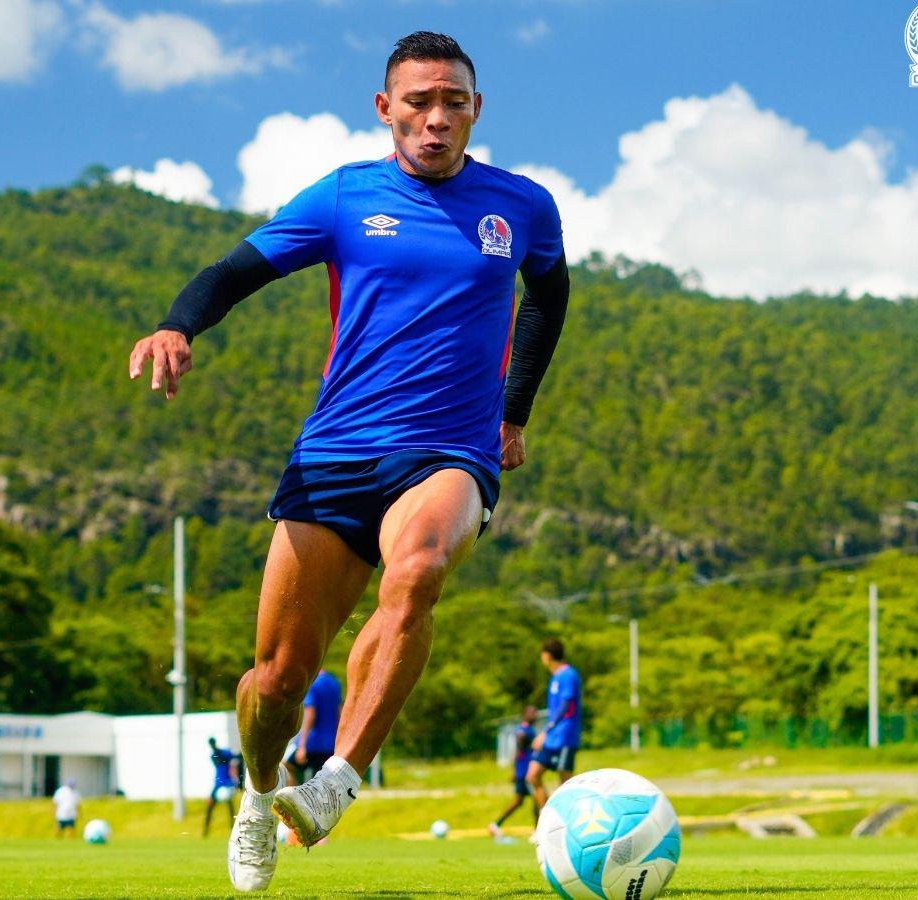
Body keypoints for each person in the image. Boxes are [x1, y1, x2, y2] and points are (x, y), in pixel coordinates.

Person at [129, 30, 568, 892]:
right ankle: (261, 798)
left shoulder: (521, 206)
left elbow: (549, 297)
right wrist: (179, 323)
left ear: (476, 109)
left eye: (453, 101)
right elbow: (234, 270)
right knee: (275, 679)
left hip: (449, 452)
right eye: (418, 102)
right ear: (385, 109)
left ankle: (336, 781)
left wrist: (513, 414)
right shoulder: (342, 197)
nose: (436, 119)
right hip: (334, 453)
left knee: (418, 570)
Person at [526, 639, 581, 811]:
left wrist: (545, 731)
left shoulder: (568, 674)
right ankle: (548, 819)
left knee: (566, 784)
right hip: (552, 738)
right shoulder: (555, 677)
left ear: (547, 656)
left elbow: (565, 706)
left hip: (565, 736)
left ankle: (570, 823)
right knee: (532, 776)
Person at [488, 706, 538, 837]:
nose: (535, 715)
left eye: (535, 713)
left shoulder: (529, 729)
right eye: (532, 713)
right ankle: (537, 831)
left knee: (518, 801)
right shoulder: (523, 729)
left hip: (524, 770)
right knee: (537, 799)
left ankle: (496, 825)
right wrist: (515, 770)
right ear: (525, 714)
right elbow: (519, 745)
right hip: (526, 771)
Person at [291, 669, 343, 785]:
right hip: (331, 743)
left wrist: (302, 746)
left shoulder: (312, 683)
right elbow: (339, 711)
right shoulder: (334, 682)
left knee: (285, 765)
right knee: (321, 781)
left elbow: (310, 713)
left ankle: (295, 794)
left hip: (312, 742)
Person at [204, 737, 240, 837]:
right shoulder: (213, 756)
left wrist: (235, 780)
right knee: (210, 805)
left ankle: (233, 829)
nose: (212, 746)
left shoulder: (225, 752)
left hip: (227, 783)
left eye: (213, 744)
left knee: (230, 807)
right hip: (218, 783)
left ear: (214, 743)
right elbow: (220, 763)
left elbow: (235, 760)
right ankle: (205, 831)